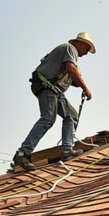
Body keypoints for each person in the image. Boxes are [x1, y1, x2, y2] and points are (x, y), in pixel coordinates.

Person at [12, 32, 96, 170]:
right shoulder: (70, 48)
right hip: (47, 87)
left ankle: (67, 151)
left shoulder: (68, 56)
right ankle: (22, 153)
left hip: (54, 90)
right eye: (87, 49)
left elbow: (73, 73)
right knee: (47, 119)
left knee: (72, 116)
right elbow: (71, 69)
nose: (86, 53)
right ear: (81, 43)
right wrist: (85, 88)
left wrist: (79, 82)